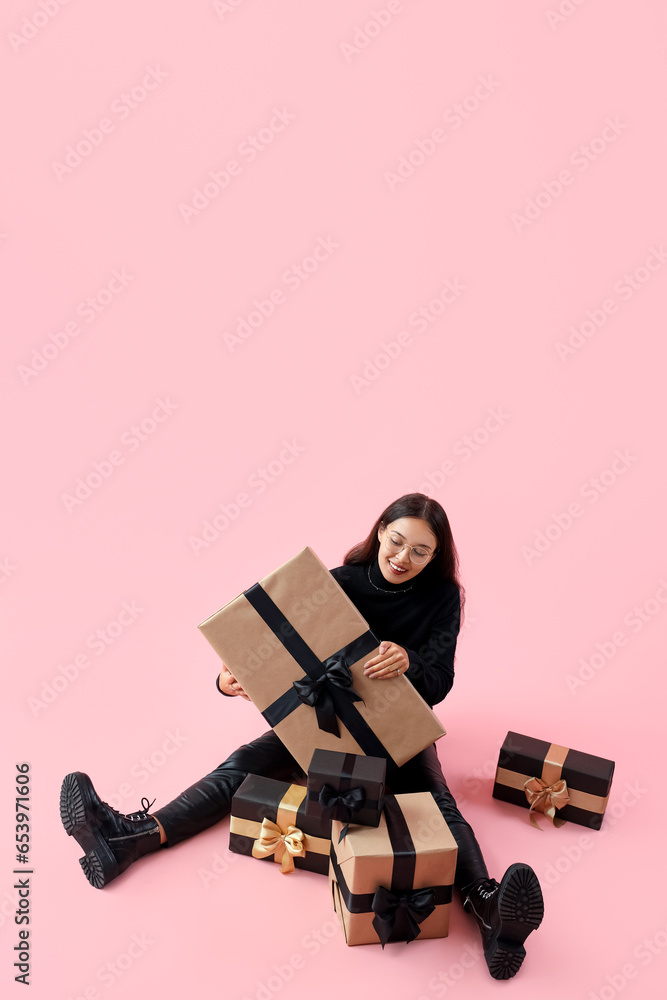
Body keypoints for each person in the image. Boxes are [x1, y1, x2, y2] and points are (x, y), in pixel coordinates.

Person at [60, 493, 543, 980]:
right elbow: (277, 661)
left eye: (421, 551)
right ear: (379, 532)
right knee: (242, 763)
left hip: (400, 729)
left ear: (436, 556)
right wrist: (230, 682)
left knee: (439, 805)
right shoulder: (337, 584)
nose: (403, 558)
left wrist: (411, 662)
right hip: (325, 722)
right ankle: (131, 839)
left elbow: (439, 682)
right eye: (396, 541)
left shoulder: (442, 599)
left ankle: (489, 909)